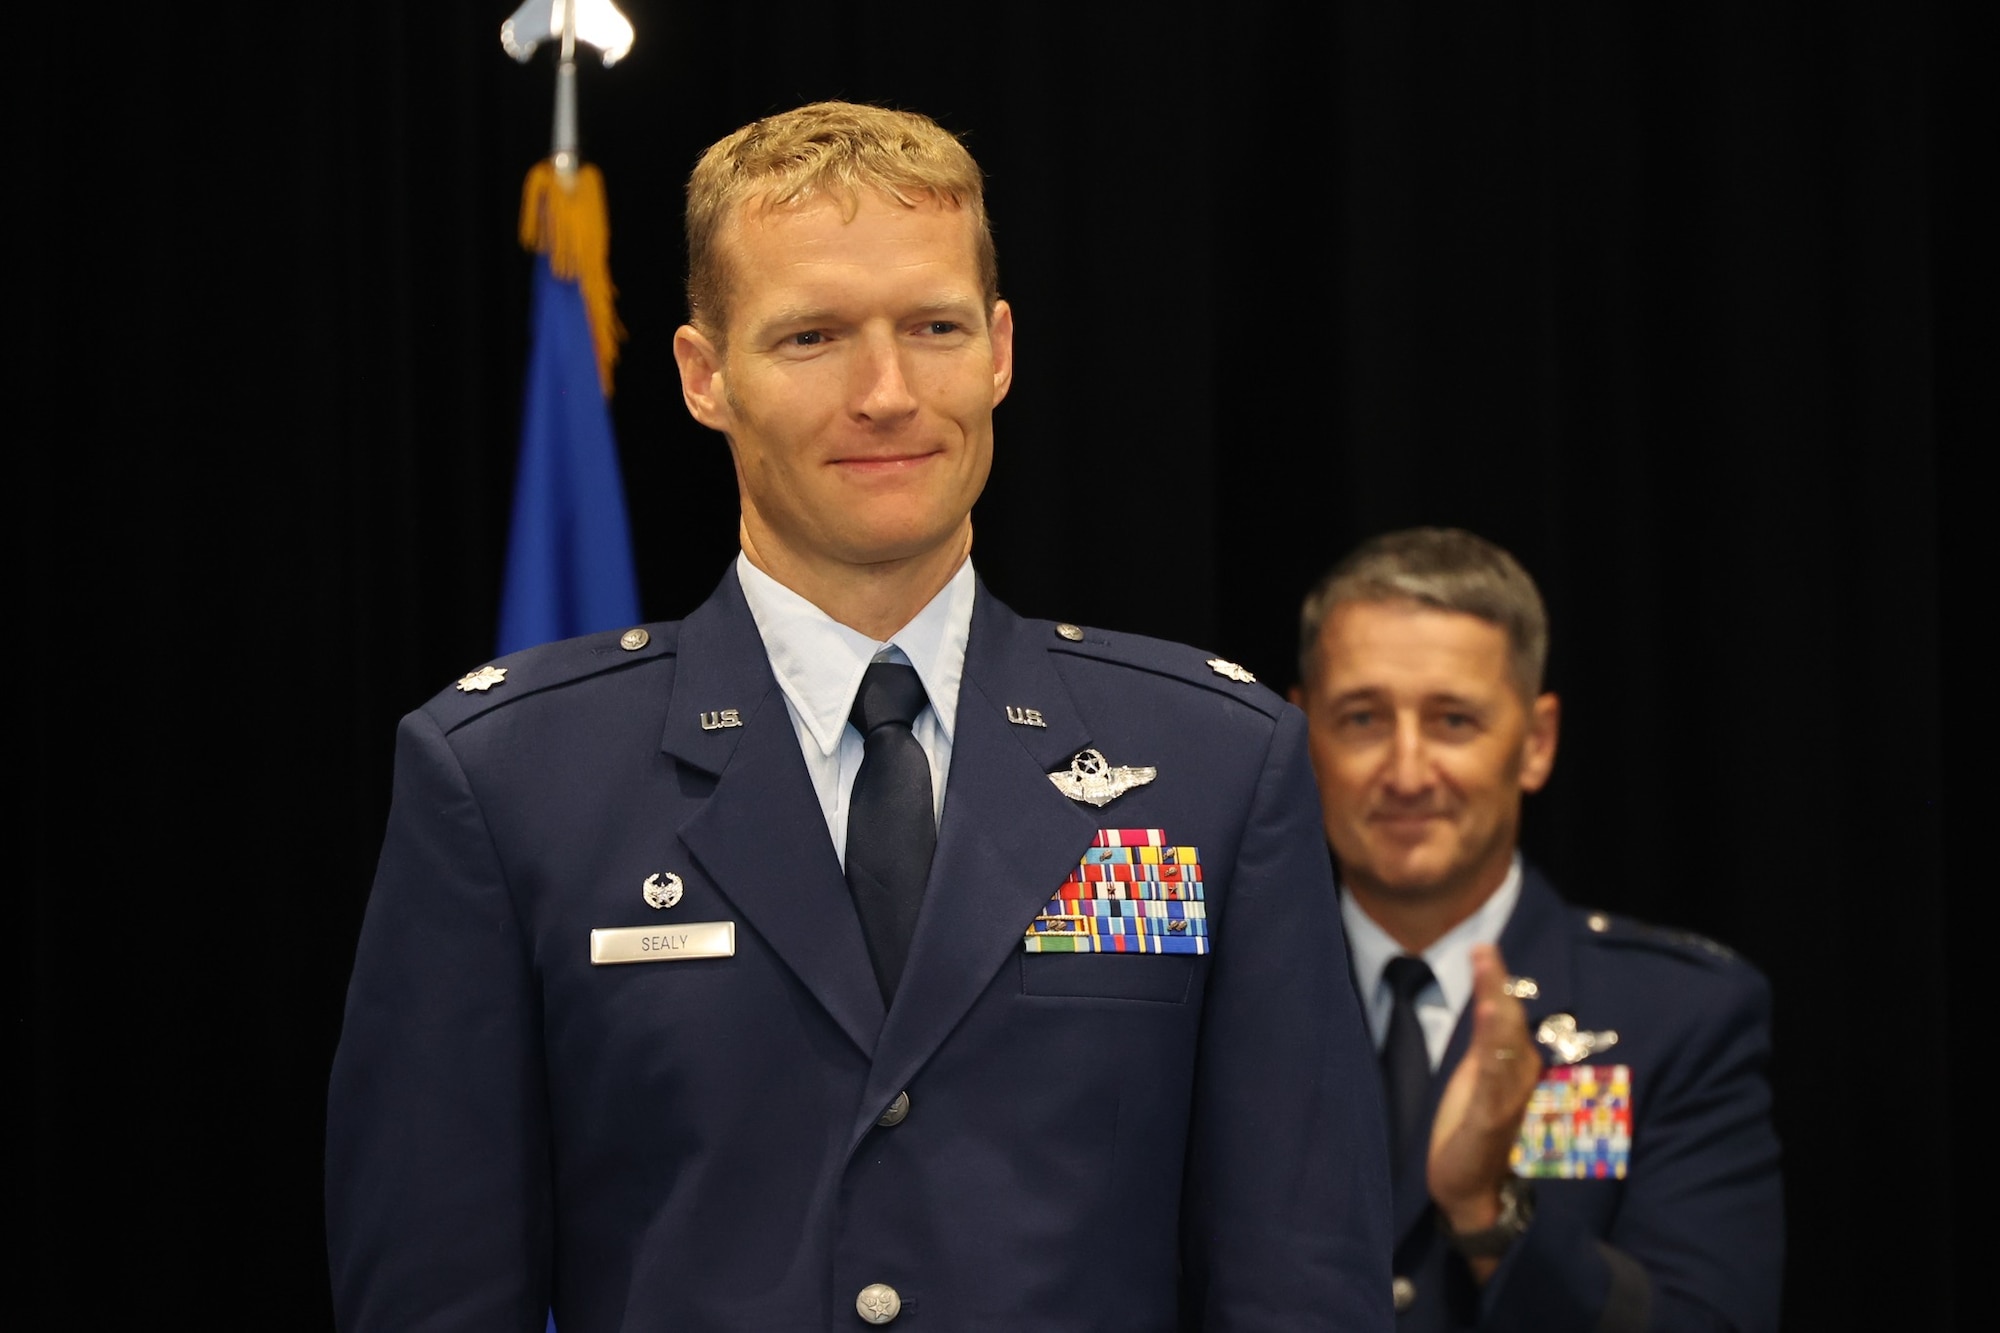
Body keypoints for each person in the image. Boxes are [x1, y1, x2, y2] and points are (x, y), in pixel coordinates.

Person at [326, 101, 1392, 1331]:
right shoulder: (510, 782)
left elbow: (1301, 1281)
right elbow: (434, 1296)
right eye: (812, 336)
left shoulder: (1216, 763)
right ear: (702, 375)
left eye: (931, 327)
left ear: (997, 350)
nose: (885, 392)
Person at [1288, 528, 1783, 1332]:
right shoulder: (1224, 1000)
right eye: (1363, 717)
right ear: (1300, 736)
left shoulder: (1678, 1017)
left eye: (1453, 720)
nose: (1407, 771)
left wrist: (1490, 1213)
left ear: (1536, 741)